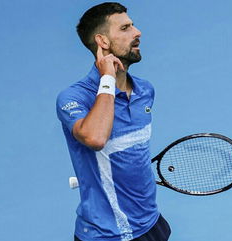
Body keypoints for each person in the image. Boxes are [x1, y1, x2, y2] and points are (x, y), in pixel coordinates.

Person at [56, 2, 171, 241]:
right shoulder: (74, 98)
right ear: (103, 42)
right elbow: (95, 138)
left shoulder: (144, 91)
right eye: (125, 28)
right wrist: (107, 78)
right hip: (107, 235)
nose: (137, 32)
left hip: (150, 224)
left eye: (133, 25)